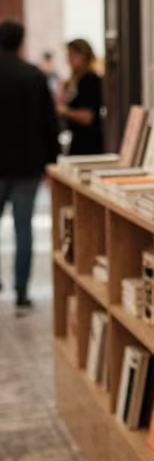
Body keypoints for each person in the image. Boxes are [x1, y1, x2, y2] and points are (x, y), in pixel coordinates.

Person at [0, 19, 59, 310]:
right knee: (24, 228)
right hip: (27, 164)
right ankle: (21, 290)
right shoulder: (35, 76)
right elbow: (50, 122)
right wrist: (51, 161)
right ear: (21, 41)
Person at [56, 39, 104, 156]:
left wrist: (64, 111)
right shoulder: (74, 80)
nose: (69, 60)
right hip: (77, 140)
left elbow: (88, 117)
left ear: (84, 56)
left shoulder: (90, 80)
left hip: (88, 143)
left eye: (72, 55)